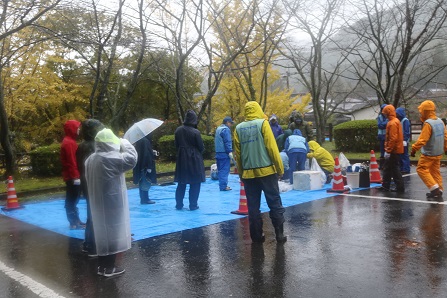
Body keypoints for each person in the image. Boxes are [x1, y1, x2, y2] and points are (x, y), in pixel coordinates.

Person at [85, 128, 137, 277]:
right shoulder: (111, 158)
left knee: (102, 234)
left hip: (97, 203)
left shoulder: (91, 159)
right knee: (113, 234)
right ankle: (109, 268)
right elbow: (132, 158)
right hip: (112, 202)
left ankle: (102, 267)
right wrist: (124, 142)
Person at [233, 101, 287, 243]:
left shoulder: (238, 128)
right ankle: (279, 235)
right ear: (258, 110)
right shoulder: (263, 124)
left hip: (249, 174)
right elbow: (272, 148)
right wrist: (279, 169)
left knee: (253, 207)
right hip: (267, 172)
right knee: (274, 203)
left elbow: (237, 155)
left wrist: (241, 174)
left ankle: (256, 237)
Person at [76, 119, 104, 256]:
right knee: (94, 214)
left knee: (92, 213)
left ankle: (90, 243)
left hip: (87, 183)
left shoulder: (83, 145)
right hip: (92, 184)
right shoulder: (90, 146)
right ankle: (92, 244)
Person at [411, 100, 447, 200]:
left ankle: (434, 189)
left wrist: (414, 149)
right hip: (438, 153)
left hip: (429, 153)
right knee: (435, 172)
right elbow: (445, 137)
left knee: (421, 169)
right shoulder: (440, 121)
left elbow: (422, 140)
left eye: (422, 111)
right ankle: (439, 189)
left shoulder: (428, 124)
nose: (421, 113)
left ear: (425, 111)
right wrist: (446, 148)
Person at [174, 110, 205, 210]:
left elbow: (176, 145)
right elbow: (201, 147)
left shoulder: (178, 130)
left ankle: (179, 204)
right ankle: (193, 205)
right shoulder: (196, 132)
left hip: (182, 159)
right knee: (195, 182)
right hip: (194, 159)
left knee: (181, 183)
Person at [60, 120, 84, 230]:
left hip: (71, 175)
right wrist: (75, 176)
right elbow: (71, 161)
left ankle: (75, 220)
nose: (79, 130)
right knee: (72, 199)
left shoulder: (70, 141)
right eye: (77, 128)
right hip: (72, 176)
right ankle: (73, 222)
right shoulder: (69, 143)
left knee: (73, 199)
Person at [378, 105, 404, 192]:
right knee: (389, 168)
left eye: (385, 113)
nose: (384, 115)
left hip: (393, 150)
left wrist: (388, 150)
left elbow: (392, 138)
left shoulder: (392, 123)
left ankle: (397, 187)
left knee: (393, 169)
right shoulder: (395, 121)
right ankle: (387, 186)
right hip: (395, 149)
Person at [133, 134, 157, 204]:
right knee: (145, 182)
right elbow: (146, 154)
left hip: (140, 165)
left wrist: (152, 151)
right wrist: (149, 166)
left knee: (142, 182)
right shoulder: (145, 141)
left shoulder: (139, 140)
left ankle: (143, 198)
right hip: (145, 165)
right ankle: (145, 199)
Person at [214, 116, 234, 191]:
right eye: (231, 123)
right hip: (224, 153)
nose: (231, 125)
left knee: (220, 170)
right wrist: (229, 151)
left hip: (218, 153)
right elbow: (227, 141)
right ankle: (223, 186)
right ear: (227, 122)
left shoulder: (218, 129)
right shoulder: (225, 130)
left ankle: (222, 185)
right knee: (224, 170)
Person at [396, 107, 411, 174]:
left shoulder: (405, 120)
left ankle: (406, 168)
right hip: (400, 141)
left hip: (404, 141)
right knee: (400, 155)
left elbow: (406, 131)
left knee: (404, 155)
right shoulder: (399, 120)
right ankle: (402, 168)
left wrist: (404, 139)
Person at [377, 104, 389, 169]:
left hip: (386, 136)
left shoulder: (388, 117)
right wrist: (385, 123)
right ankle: (382, 165)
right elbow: (379, 126)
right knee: (382, 151)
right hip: (381, 136)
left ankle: (386, 165)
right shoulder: (380, 117)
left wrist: (383, 124)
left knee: (387, 150)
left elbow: (384, 125)